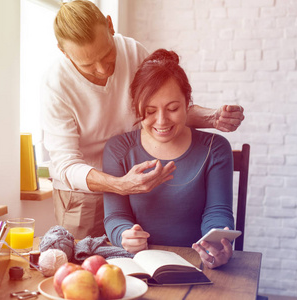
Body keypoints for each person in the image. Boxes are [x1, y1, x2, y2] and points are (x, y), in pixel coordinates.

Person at [41, 0, 244, 240]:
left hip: (133, 172)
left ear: (110, 25)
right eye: (87, 65)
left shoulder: (133, 52)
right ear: (64, 52)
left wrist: (212, 117)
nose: (103, 69)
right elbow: (65, 164)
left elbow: (160, 102)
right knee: (86, 267)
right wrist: (120, 185)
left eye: (107, 55)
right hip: (82, 194)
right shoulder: (56, 85)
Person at [103, 48, 235, 269]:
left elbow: (218, 211)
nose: (162, 121)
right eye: (150, 110)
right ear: (136, 107)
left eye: (173, 108)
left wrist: (216, 244)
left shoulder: (215, 148)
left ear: (187, 103)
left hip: (197, 262)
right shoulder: (118, 149)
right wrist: (125, 234)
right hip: (139, 263)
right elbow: (115, 215)